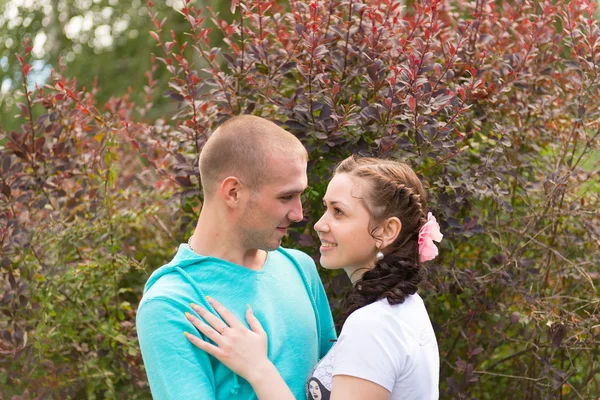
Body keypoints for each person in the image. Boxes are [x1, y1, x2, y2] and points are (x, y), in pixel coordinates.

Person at [184, 155, 442, 400]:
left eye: (338, 212)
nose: (320, 223)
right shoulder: (405, 307)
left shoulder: (373, 326)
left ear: (387, 230)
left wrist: (258, 369)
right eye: (325, 208)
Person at [136, 115, 336, 399]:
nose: (299, 214)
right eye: (285, 197)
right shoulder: (170, 304)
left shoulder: (300, 268)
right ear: (233, 193)